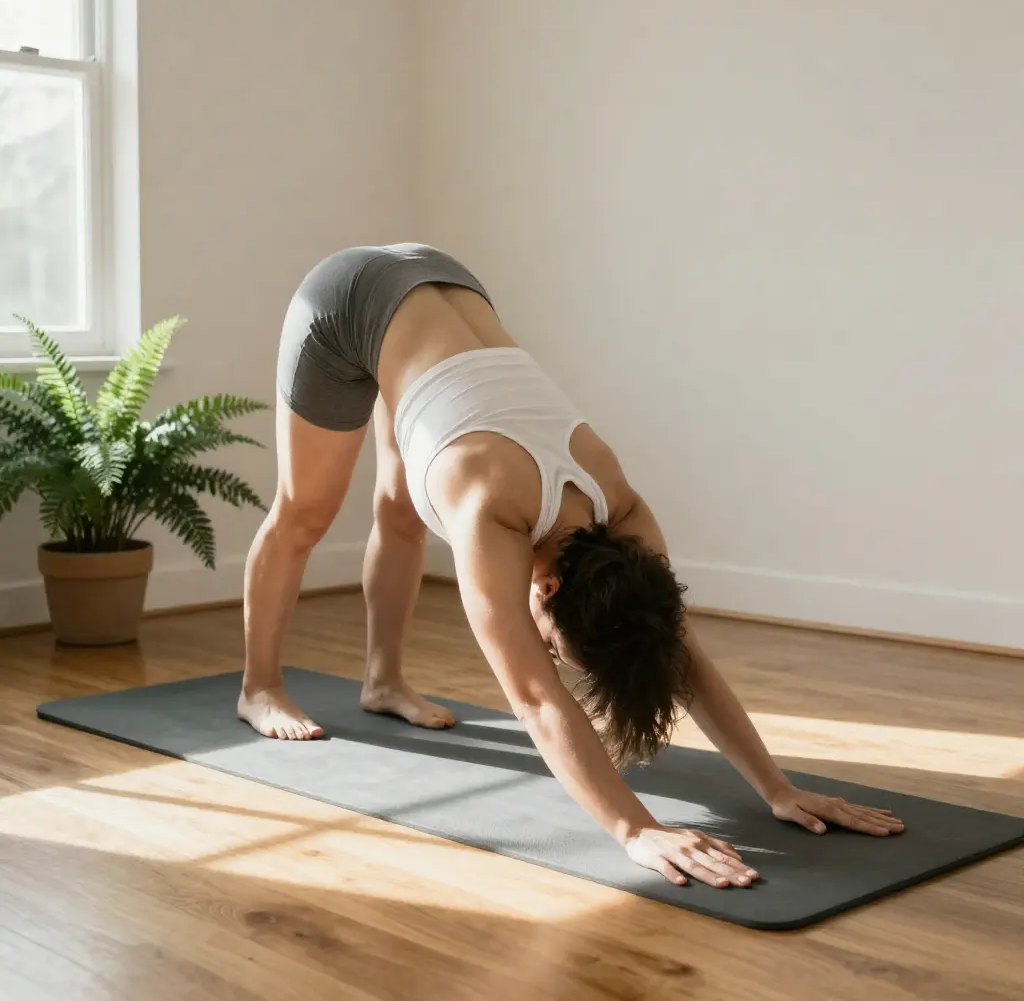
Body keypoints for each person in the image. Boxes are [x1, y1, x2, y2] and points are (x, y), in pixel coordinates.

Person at [240, 243, 904, 889]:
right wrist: (635, 830)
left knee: (402, 513)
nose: (551, 659)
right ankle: (258, 688)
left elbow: (675, 646)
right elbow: (535, 699)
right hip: (347, 302)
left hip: (442, 285)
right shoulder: (487, 512)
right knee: (305, 513)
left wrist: (777, 788)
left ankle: (382, 681)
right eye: (560, 648)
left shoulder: (623, 511)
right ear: (551, 588)